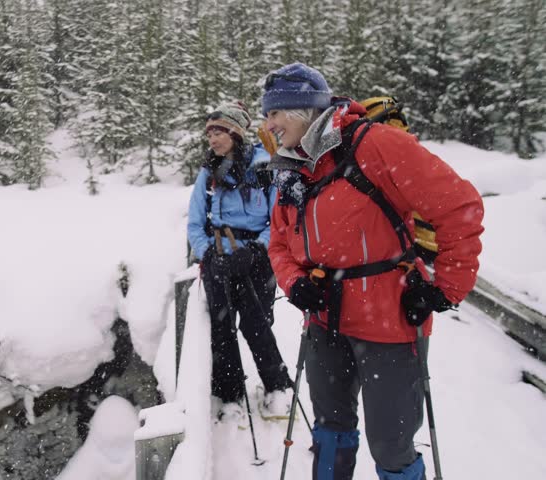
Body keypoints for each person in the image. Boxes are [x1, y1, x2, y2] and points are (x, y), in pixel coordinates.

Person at [261, 63, 484, 480]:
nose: (267, 124)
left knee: (391, 443)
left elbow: (460, 207)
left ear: (300, 110)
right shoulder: (291, 169)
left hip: (390, 322)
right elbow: (277, 243)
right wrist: (293, 283)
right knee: (329, 429)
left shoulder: (374, 145)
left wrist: (445, 289)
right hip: (325, 320)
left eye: (273, 113)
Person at [187, 101, 293, 420]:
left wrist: (257, 250)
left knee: (256, 323)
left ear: (235, 133)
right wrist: (206, 252)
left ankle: (277, 387)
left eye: (219, 132)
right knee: (221, 327)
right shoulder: (208, 173)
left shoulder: (265, 167)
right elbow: (194, 223)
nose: (213, 139)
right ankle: (230, 393)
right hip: (218, 257)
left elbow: (279, 220)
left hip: (256, 257)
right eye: (209, 134)